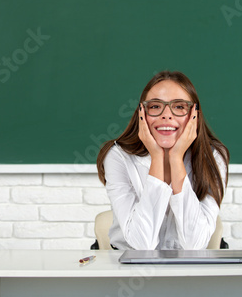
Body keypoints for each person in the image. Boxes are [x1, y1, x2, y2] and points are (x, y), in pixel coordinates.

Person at [96, 71, 229, 250]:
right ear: (142, 113)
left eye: (180, 106)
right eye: (155, 106)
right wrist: (157, 157)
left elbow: (195, 244)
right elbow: (142, 246)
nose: (166, 115)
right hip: (126, 267)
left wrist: (176, 158)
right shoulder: (118, 156)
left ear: (194, 114)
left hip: (187, 268)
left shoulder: (213, 156)